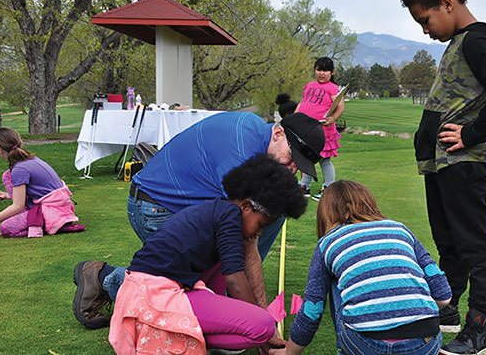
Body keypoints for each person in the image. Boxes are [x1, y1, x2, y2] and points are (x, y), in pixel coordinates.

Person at [73, 111, 325, 329]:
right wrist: (260, 318)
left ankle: (225, 299)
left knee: (273, 209)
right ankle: (105, 278)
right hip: (155, 209)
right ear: (278, 133)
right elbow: (247, 246)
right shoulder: (239, 157)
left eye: (300, 166)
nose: (293, 169)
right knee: (185, 302)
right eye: (292, 158)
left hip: (188, 209)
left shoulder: (257, 132)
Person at [401, 0, 486, 355]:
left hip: (462, 162)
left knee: (473, 243)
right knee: (447, 241)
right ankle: (447, 308)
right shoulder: (459, 42)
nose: (425, 30)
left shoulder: (475, 40)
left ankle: (482, 327)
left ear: (447, 4)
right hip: (441, 163)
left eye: (426, 19)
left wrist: (472, 133)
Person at [108, 155, 308, 354]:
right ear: (246, 206)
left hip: (148, 290)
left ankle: (185, 332)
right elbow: (235, 281)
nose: (259, 233)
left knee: (228, 272)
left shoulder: (218, 211)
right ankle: (176, 333)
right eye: (260, 224)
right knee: (263, 325)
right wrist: (265, 327)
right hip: (155, 294)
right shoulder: (230, 216)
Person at [282, 180, 452, 355]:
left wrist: (288, 352)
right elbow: (443, 295)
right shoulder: (400, 229)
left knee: (335, 280)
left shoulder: (328, 242)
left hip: (365, 344)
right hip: (426, 340)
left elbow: (313, 308)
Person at [0, 127, 84, 238]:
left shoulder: (20, 169)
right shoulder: (31, 160)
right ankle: (29, 218)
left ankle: (45, 226)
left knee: (6, 228)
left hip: (52, 211)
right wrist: (6, 195)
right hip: (62, 206)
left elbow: (18, 206)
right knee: (7, 175)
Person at [297, 57, 345, 200]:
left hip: (323, 131)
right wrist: (294, 118)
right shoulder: (309, 86)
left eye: (325, 70)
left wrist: (333, 118)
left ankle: (329, 188)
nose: (321, 73)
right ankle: (304, 186)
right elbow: (302, 103)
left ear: (332, 72)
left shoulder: (333, 88)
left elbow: (340, 106)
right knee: (307, 159)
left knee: (325, 160)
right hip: (306, 129)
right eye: (319, 70)